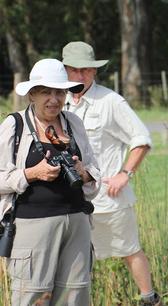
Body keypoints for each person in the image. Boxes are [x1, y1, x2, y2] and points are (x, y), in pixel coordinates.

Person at [61, 41, 161, 306]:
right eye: (74, 70)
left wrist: (125, 173)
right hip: (71, 199)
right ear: (65, 70)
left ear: (95, 71)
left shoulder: (111, 101)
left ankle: (149, 300)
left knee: (129, 250)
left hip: (109, 197)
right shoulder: (59, 101)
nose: (80, 76)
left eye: (86, 70)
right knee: (75, 259)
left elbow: (142, 138)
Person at [0, 58, 100, 305]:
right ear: (32, 94)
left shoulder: (73, 123)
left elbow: (95, 170)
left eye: (59, 92)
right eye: (46, 92)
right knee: (32, 296)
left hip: (77, 224)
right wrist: (32, 174)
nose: (54, 99)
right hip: (31, 226)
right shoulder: (15, 125)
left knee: (75, 296)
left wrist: (83, 172)